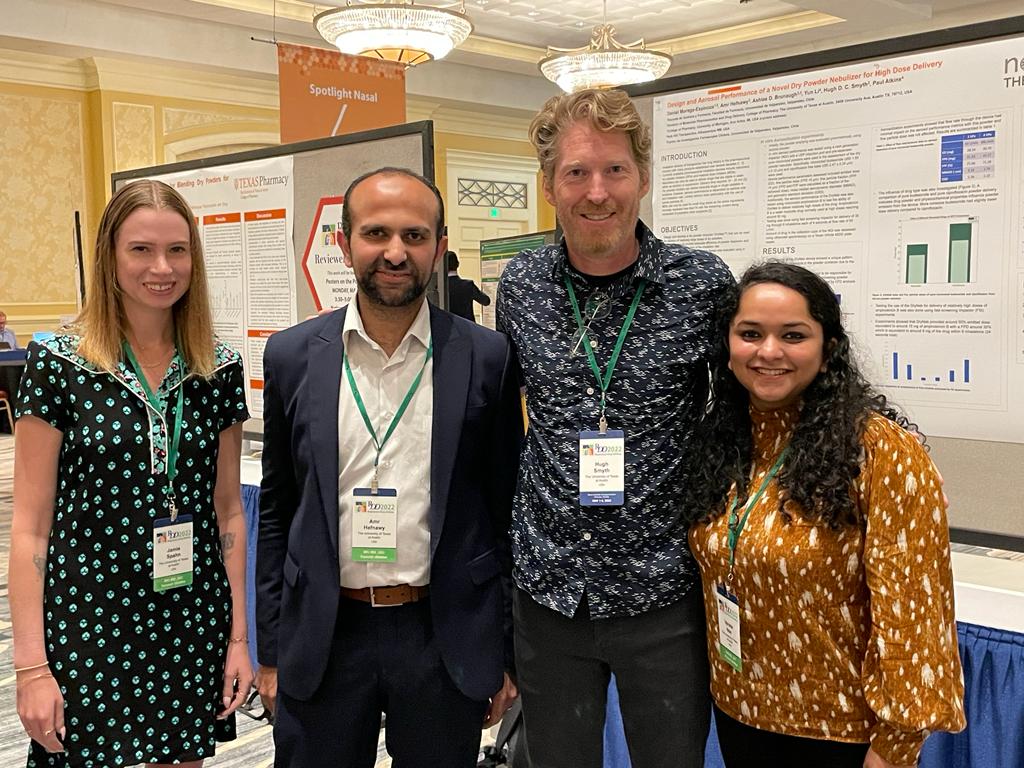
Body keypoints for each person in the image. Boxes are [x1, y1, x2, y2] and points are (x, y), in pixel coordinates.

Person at [495, 88, 734, 768]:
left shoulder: (701, 284)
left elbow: (742, 416)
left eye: (615, 170)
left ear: (644, 178)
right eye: (576, 172)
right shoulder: (521, 286)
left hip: (664, 593)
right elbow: (503, 424)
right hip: (550, 593)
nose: (597, 192)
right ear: (549, 186)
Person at [255, 167, 522, 768]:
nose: (395, 253)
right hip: (325, 631)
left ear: (439, 247)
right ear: (343, 243)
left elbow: (504, 510)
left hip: (441, 632)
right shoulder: (292, 356)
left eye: (414, 235)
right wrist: (270, 649)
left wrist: (503, 653)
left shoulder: (486, 357)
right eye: (376, 233)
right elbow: (278, 508)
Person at [10, 179, 253, 767]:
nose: (162, 268)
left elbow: (227, 511)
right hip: (89, 616)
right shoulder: (58, 363)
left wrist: (239, 639)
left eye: (177, 250)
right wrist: (31, 668)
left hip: (190, 612)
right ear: (110, 257)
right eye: (141, 249)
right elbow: (30, 527)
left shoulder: (218, 368)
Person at [686, 262, 966, 767]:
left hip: (840, 732)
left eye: (793, 335)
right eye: (750, 333)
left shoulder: (880, 451)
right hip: (738, 713)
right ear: (728, 346)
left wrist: (896, 746)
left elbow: (915, 620)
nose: (769, 351)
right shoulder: (721, 442)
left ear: (828, 347)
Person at [446, 250, 491, 322]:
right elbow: (486, 301)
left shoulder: (441, 288)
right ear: (458, 264)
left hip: (448, 325)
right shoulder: (468, 285)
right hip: (467, 326)